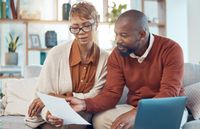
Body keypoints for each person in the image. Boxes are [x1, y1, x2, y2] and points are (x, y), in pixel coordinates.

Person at [50, 9, 185, 129]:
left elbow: (169, 92)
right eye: (116, 34)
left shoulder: (171, 49)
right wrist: (84, 104)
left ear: (142, 34)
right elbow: (111, 93)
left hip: (168, 108)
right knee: (100, 120)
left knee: (157, 124)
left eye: (124, 36)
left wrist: (136, 114)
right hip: (134, 107)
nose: (118, 40)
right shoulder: (117, 54)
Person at [25, 1, 108, 129]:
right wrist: (48, 113)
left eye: (86, 25)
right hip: (52, 111)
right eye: (75, 27)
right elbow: (41, 96)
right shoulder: (56, 54)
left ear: (96, 24)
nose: (80, 32)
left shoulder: (105, 58)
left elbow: (95, 96)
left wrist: (54, 97)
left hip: (82, 115)